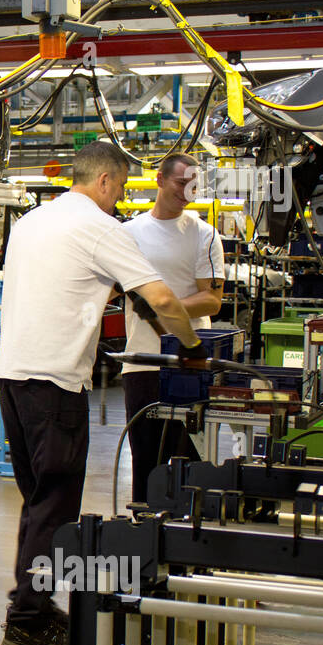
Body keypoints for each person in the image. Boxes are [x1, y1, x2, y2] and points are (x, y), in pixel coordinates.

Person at [0, 140, 204, 645]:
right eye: (122, 188)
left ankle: (33, 605)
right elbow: (160, 298)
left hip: (12, 377)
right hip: (55, 381)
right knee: (55, 506)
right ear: (106, 181)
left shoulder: (33, 220)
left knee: (39, 501)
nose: (120, 200)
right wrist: (192, 348)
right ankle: (25, 622)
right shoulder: (98, 225)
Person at [121, 153, 225, 504]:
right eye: (182, 183)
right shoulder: (127, 234)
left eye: (194, 185)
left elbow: (211, 300)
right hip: (142, 363)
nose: (188, 191)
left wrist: (162, 305)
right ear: (160, 180)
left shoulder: (204, 234)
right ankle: (144, 528)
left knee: (188, 457)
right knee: (145, 458)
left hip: (190, 361)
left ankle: (188, 530)